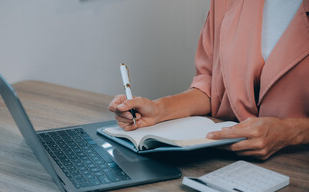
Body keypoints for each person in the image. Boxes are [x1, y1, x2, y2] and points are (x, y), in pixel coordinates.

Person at [109, 0, 309, 160]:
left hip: (297, 166)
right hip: (226, 158)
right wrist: (159, 109)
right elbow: (212, 85)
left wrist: (288, 133)